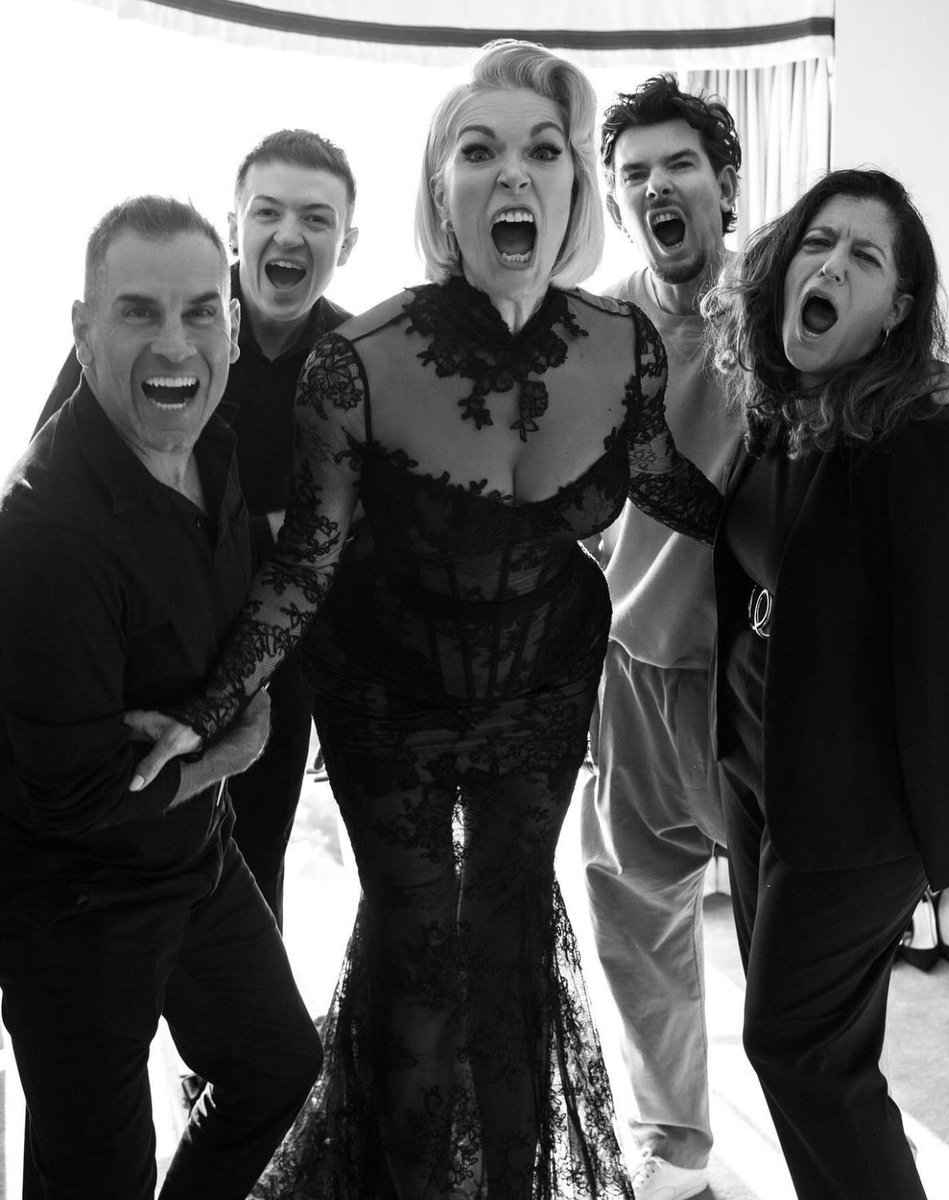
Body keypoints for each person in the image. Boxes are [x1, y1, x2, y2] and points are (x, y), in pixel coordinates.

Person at [127, 39, 722, 1200]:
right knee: (420, 942)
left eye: (543, 151)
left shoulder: (624, 346)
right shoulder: (360, 360)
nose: (514, 174)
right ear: (440, 194)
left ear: (571, 192)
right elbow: (308, 559)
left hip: (546, 677)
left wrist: (814, 495)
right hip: (385, 687)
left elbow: (674, 487)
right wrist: (212, 707)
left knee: (503, 936)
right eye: (479, 150)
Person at [0, 197, 322, 1199]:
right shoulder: (45, 537)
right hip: (75, 907)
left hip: (194, 859)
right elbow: (73, 797)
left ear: (228, 323)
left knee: (276, 1066)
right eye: (138, 311)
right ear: (83, 331)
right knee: (96, 1177)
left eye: (199, 311)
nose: (174, 340)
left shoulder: (214, 446)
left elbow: (247, 609)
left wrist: (231, 710)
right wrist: (226, 752)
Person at [705, 167, 949, 1199]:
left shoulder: (927, 441)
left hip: (856, 812)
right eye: (821, 241)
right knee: (821, 1057)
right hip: (756, 778)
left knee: (795, 1047)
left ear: (896, 312)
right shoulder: (781, 413)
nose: (832, 265)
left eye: (865, 257)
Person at [33, 129, 358, 927]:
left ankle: (223, 1046)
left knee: (254, 863)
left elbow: (349, 537)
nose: (289, 235)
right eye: (267, 211)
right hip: (132, 640)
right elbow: (53, 485)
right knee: (115, 863)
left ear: (346, 242)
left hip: (273, 661)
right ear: (234, 224)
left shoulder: (355, 358)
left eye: (316, 219)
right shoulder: (144, 332)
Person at [580, 76, 742, 1200]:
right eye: (633, 173)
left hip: (764, 677)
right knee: (637, 919)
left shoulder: (788, 299)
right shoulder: (594, 325)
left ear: (725, 183)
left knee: (802, 932)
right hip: (633, 671)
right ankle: (676, 1149)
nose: (655, 187)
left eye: (678, 164)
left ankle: (823, 1112)